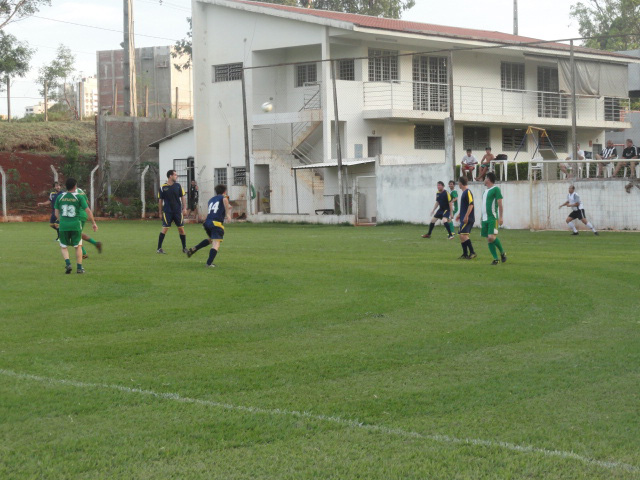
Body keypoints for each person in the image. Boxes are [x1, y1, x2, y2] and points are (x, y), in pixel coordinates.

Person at [54, 177, 98, 274]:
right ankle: (79, 268)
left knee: (64, 246)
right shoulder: (79, 197)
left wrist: (63, 221)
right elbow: (88, 211)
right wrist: (93, 223)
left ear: (66, 186)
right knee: (78, 246)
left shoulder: (60, 197)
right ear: (75, 186)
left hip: (64, 226)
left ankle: (68, 264)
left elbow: (56, 214)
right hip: (76, 225)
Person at [186, 184, 232, 267]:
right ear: (224, 191)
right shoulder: (224, 198)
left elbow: (213, 210)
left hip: (207, 222)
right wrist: (228, 215)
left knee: (211, 240)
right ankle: (209, 263)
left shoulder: (211, 200)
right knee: (216, 243)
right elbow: (226, 206)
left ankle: (195, 248)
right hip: (216, 223)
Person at [157, 169, 188, 254]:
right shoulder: (163, 187)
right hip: (167, 212)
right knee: (165, 229)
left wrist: (184, 208)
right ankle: (159, 248)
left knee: (181, 229)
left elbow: (183, 197)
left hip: (177, 211)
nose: (176, 176)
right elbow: (160, 201)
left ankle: (184, 248)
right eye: (175, 175)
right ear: (170, 176)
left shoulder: (178, 186)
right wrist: (160, 212)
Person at [481, 172, 506, 265]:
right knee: (489, 239)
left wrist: (501, 217)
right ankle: (496, 259)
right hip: (484, 219)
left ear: (488, 179)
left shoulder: (496, 189)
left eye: (485, 178)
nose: (484, 180)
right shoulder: (485, 191)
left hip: (492, 218)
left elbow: (500, 204)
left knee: (491, 237)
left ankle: (502, 252)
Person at [75, 186, 103, 258]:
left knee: (75, 235)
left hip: (77, 215)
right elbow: (87, 202)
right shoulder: (81, 190)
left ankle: (84, 253)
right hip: (84, 214)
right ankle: (95, 244)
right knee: (78, 234)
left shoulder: (71, 193)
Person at [455, 176, 476, 259]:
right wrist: (460, 214)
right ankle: (465, 254)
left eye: (458, 182)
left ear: (460, 183)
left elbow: (471, 204)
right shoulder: (464, 192)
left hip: (468, 218)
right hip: (464, 217)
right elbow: (465, 206)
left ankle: (472, 252)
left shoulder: (467, 192)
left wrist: (466, 216)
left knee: (463, 235)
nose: (458, 184)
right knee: (461, 235)